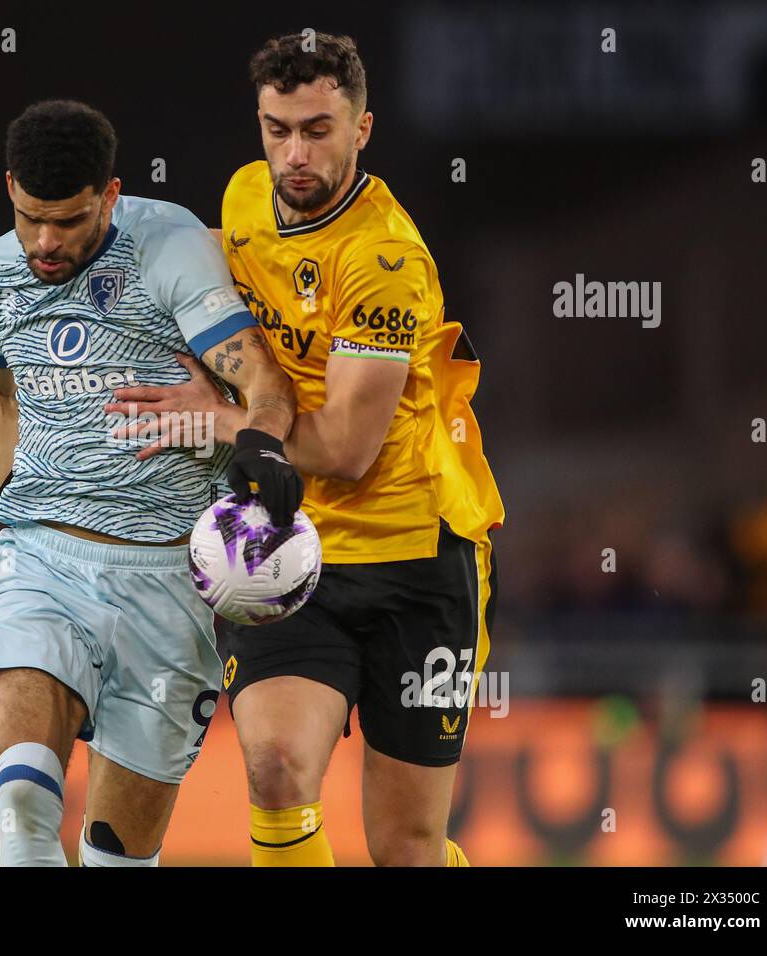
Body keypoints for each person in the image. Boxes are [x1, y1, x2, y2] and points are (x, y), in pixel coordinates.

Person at [106, 34, 505, 866]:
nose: (294, 153)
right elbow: (221, 273)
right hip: (288, 550)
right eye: (276, 128)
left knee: (406, 848)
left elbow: (351, 449)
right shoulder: (248, 195)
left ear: (363, 129)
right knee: (276, 765)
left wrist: (224, 418)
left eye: (318, 130)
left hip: (416, 560)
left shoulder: (385, 260)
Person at [0, 100, 303, 866]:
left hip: (169, 582)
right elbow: (0, 397)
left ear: (113, 195)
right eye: (30, 218)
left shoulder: (173, 250)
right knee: (24, 804)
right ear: (10, 191)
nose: (45, 242)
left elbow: (262, 374)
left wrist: (261, 440)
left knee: (116, 857)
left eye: (69, 221)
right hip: (43, 561)